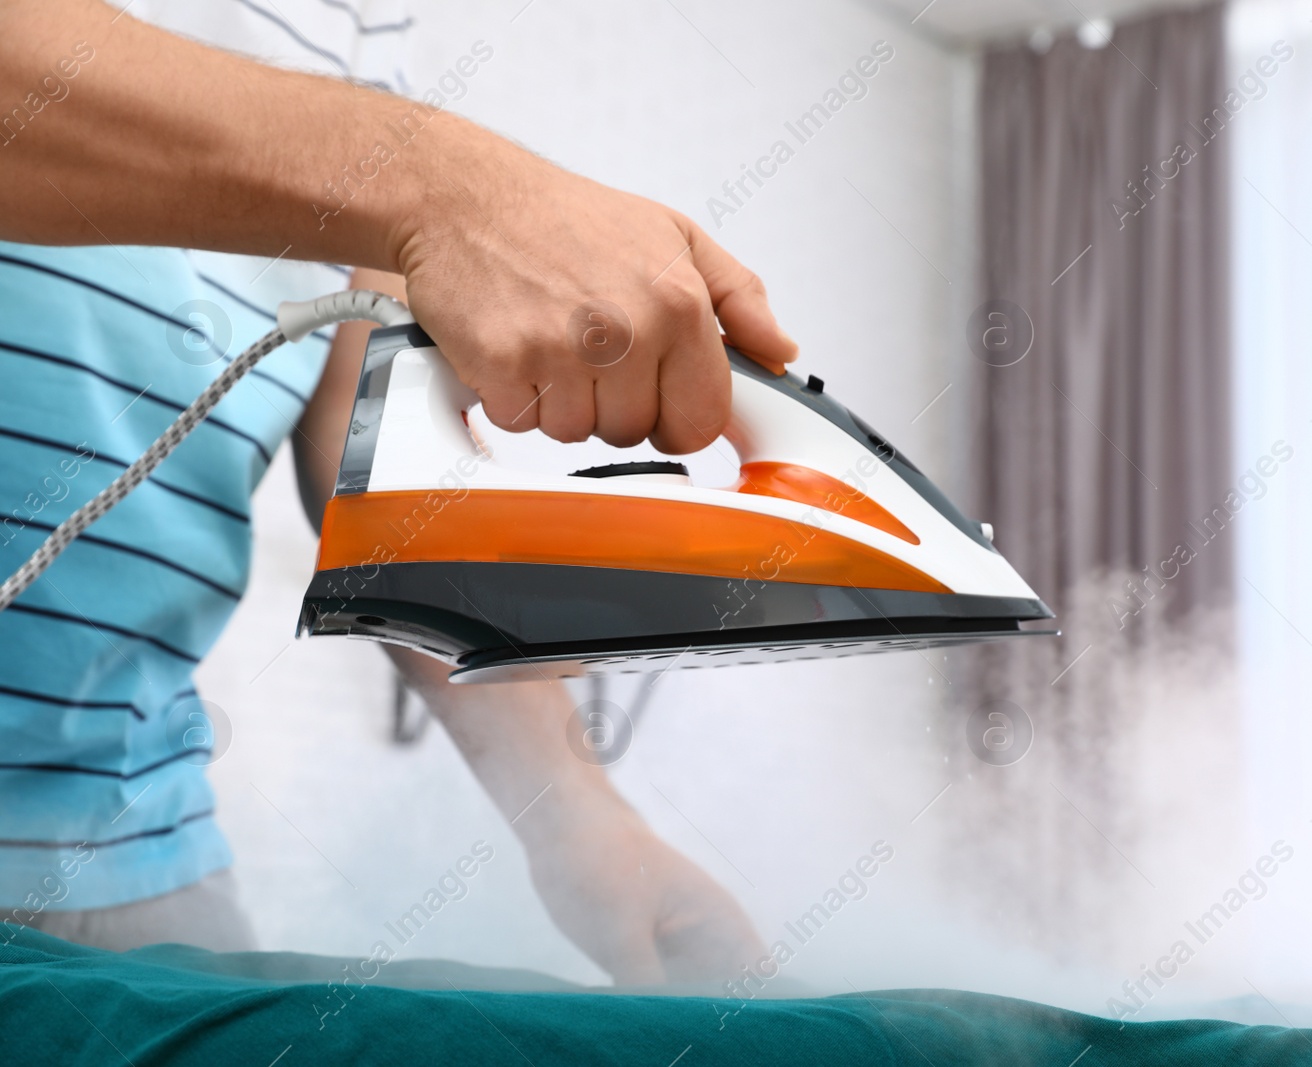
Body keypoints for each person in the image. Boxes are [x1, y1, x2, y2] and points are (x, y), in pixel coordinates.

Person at [0, 0, 796, 983]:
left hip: (135, 841)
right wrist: (449, 187)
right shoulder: (413, 154)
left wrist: (574, 807)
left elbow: (366, 445)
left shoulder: (362, 25)